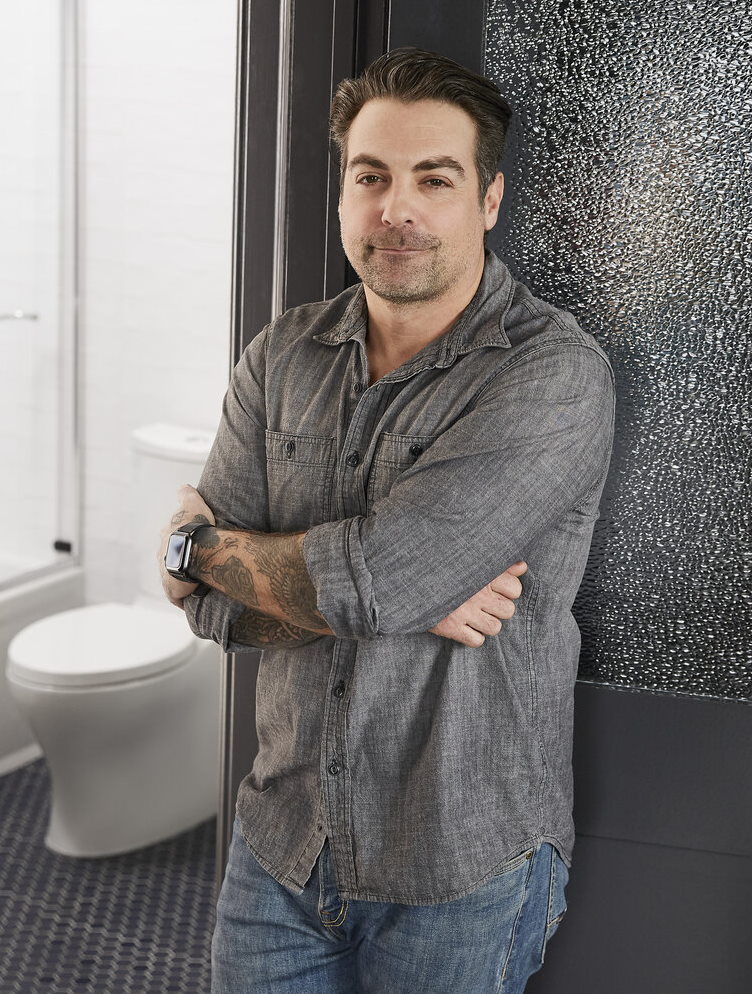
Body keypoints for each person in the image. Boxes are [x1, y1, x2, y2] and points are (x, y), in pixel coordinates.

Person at [159, 47, 615, 994]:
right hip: (281, 846)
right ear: (342, 192)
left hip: (459, 869)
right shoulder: (282, 355)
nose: (394, 209)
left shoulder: (554, 374)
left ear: (488, 199)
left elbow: (375, 581)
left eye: (432, 179)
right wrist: (374, 589)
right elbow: (207, 608)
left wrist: (203, 549)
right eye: (370, 176)